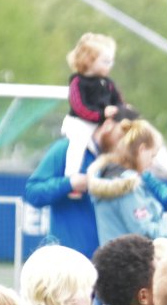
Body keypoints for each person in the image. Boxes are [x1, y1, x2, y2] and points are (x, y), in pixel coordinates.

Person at [24, 103, 138, 266]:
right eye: (122, 134)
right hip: (66, 263)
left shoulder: (120, 161)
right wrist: (69, 183)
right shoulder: (67, 149)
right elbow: (33, 192)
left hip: (106, 263)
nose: (123, 142)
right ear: (108, 124)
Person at [87, 120, 167, 247]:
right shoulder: (127, 187)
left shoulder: (108, 176)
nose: (152, 162)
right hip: (131, 258)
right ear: (142, 150)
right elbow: (146, 234)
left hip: (113, 256)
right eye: (152, 155)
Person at [63, 33, 125, 183]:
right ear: (89, 61)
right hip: (80, 122)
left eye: (111, 61)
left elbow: (118, 101)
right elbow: (79, 108)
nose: (110, 65)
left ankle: (115, 173)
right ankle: (71, 177)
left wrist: (121, 110)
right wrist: (102, 114)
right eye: (105, 61)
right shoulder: (77, 81)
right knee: (78, 143)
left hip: (101, 123)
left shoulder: (107, 83)